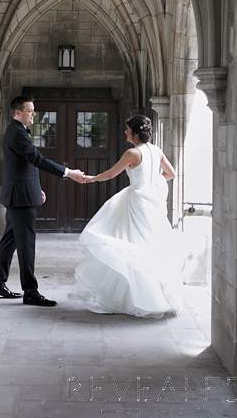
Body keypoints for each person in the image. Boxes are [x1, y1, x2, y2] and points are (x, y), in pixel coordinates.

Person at [75, 114, 183, 318]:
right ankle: (155, 296)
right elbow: (171, 175)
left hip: (137, 204)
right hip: (152, 204)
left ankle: (137, 298)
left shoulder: (132, 153)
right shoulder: (156, 150)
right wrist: (152, 183)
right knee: (149, 246)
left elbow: (110, 174)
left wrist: (90, 179)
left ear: (134, 133)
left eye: (127, 129)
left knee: (131, 245)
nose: (125, 132)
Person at [0, 96, 85, 307]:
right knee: (26, 245)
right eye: (29, 110)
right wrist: (68, 172)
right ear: (17, 113)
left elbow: (26, 164)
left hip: (21, 193)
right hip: (20, 198)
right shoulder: (17, 132)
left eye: (33, 110)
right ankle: (30, 291)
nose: (33, 114)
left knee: (10, 241)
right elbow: (37, 159)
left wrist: (36, 188)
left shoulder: (18, 131)